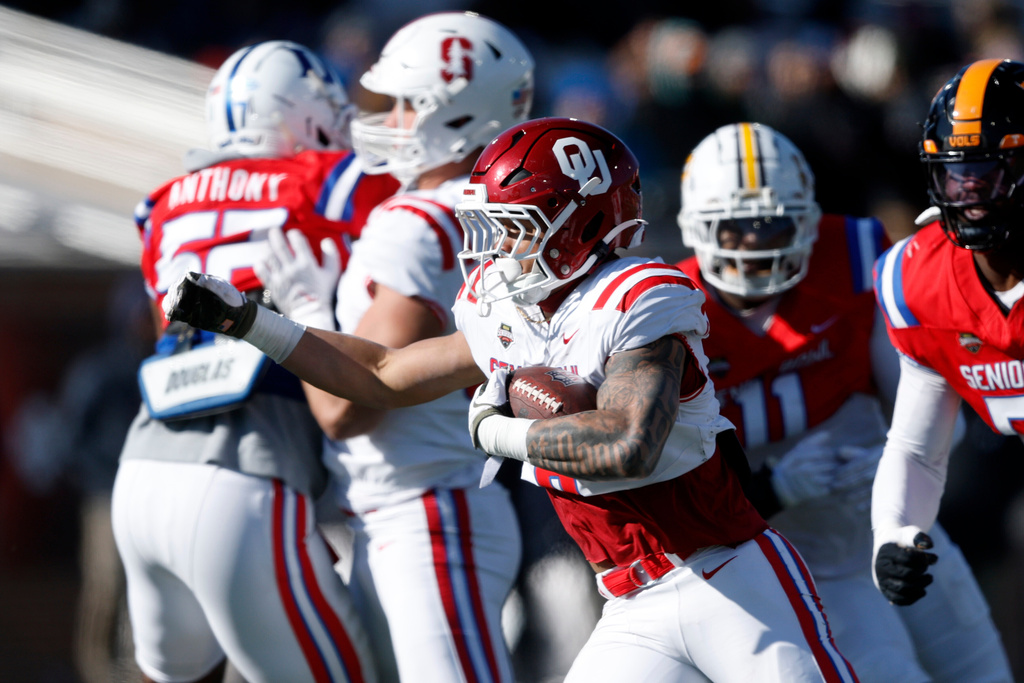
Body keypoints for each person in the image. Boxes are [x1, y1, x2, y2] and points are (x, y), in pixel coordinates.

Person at [163, 115, 860, 682]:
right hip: (629, 598)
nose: (498, 248)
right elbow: (381, 372)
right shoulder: (508, 311)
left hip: (728, 576)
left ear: (582, 225)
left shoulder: (641, 296)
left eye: (517, 227)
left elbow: (628, 442)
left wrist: (498, 434)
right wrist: (250, 322)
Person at [678, 122, 1013, 683]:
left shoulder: (855, 259)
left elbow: (933, 402)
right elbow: (678, 496)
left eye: (773, 222)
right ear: (695, 228)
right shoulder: (670, 311)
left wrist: (891, 465)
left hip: (898, 529)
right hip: (797, 567)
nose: (756, 243)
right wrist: (773, 488)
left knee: (984, 672)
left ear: (809, 219)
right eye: (733, 227)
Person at [255, 12, 534, 682]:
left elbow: (347, 408)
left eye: (408, 104)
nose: (389, 119)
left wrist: (306, 311)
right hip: (430, 501)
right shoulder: (496, 214)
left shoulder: (414, 223)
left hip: (427, 509)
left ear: (461, 115)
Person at [112, 40, 398, 683]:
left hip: (142, 468)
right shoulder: (336, 179)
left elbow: (168, 322)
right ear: (303, 112)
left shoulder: (161, 204)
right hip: (247, 468)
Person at [872, 56, 1024, 630]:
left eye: (992, 172)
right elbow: (916, 448)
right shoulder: (919, 280)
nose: (972, 192)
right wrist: (893, 533)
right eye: (958, 174)